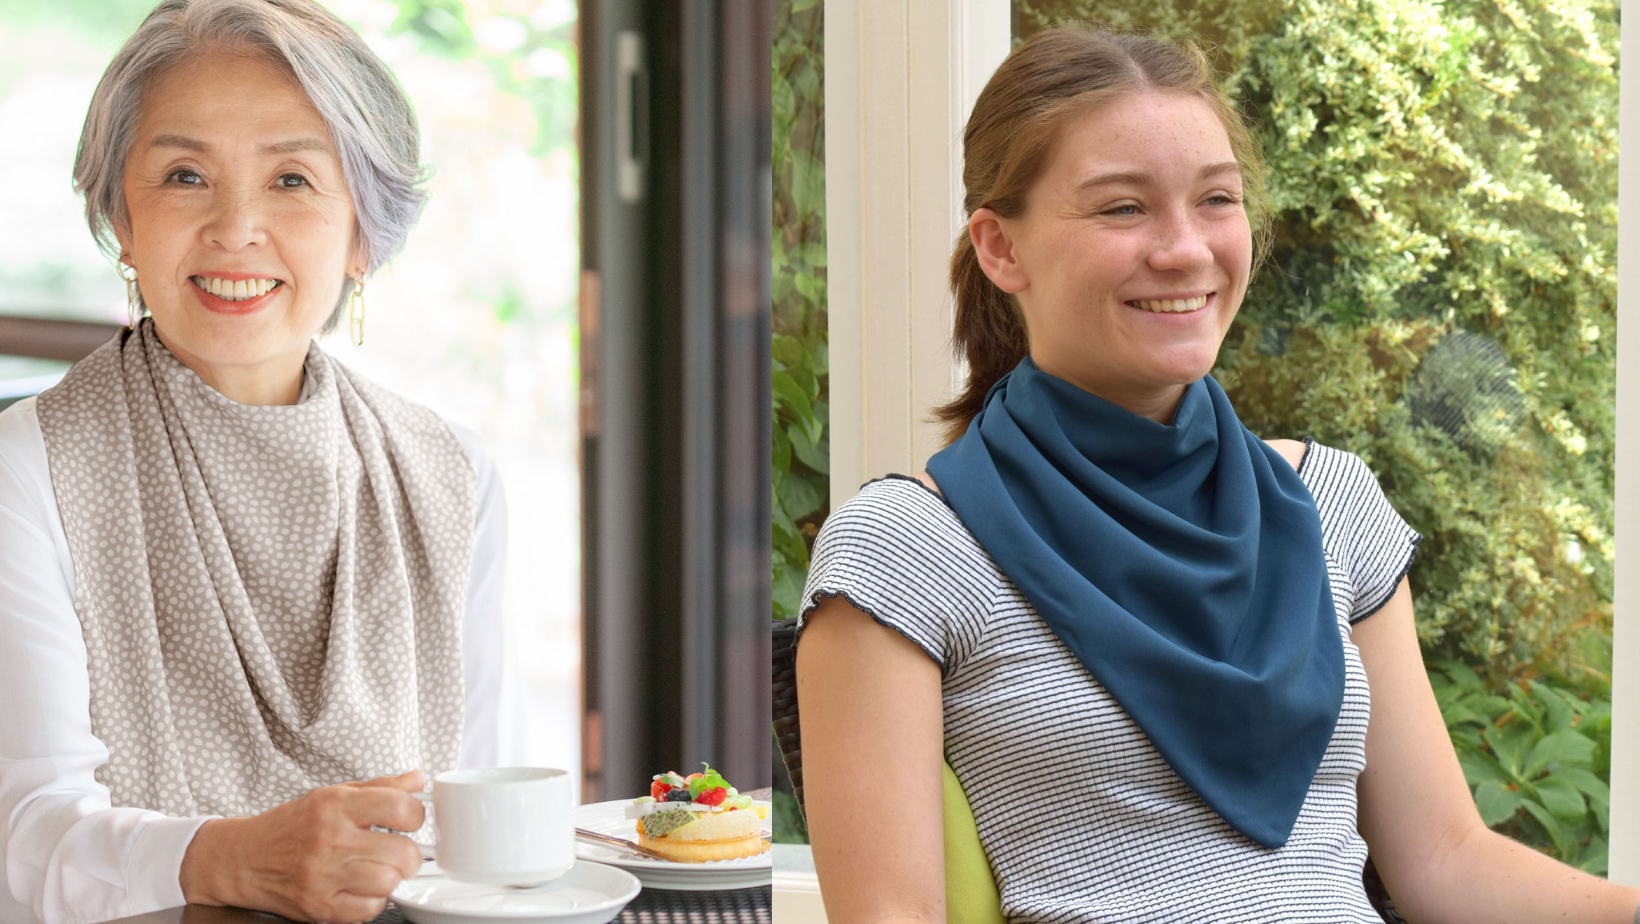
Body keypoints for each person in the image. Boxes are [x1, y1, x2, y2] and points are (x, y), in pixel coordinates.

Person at [794, 26, 1640, 924]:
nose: (1186, 249)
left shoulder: (1335, 503)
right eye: (1123, 208)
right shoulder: (908, 549)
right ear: (1002, 248)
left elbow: (1444, 862)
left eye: (1217, 200)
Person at [0, 1, 511, 921]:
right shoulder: (25, 469)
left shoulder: (454, 476)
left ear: (363, 233)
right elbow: (25, 836)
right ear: (121, 214)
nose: (236, 228)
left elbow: (480, 820)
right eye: (185, 174)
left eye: (292, 179)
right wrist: (226, 858)